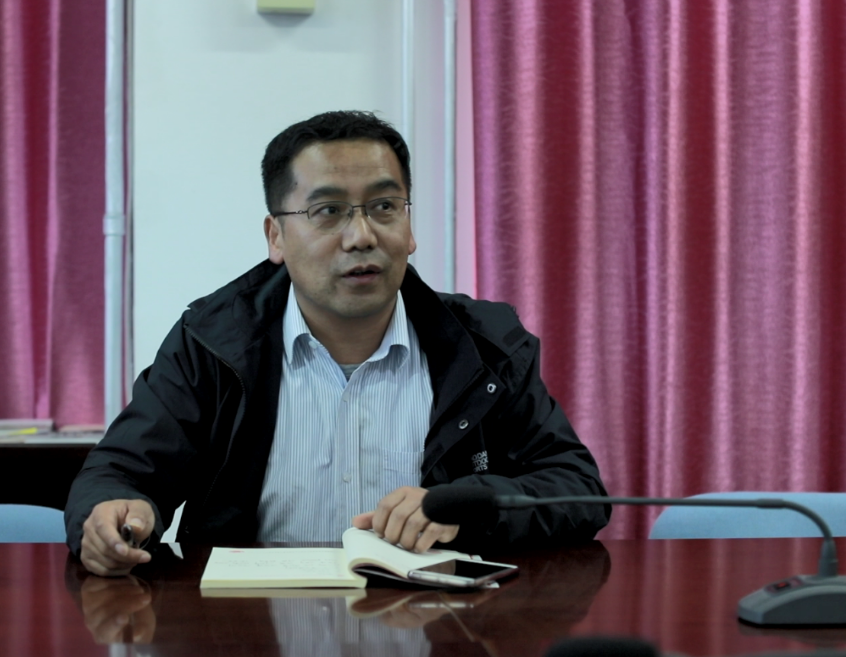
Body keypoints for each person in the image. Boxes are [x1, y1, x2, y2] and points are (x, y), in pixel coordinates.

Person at [66, 110, 610, 576]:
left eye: (384, 207)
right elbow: (119, 474)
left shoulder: (485, 346)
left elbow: (577, 487)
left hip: (437, 625)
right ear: (276, 236)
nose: (361, 236)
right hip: (247, 628)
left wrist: (473, 508)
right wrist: (113, 515)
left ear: (409, 228)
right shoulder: (211, 344)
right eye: (328, 212)